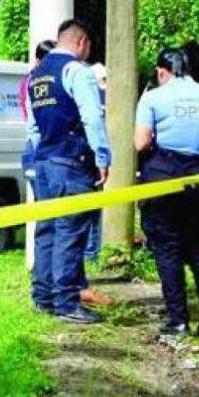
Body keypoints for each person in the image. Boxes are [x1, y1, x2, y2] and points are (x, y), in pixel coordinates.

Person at [134, 46, 199, 338]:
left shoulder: (152, 98)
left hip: (161, 179)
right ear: (188, 69)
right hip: (198, 177)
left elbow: (141, 143)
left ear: (161, 72)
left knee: (168, 250)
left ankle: (178, 321)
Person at [26, 18, 111, 324]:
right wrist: (102, 157)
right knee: (70, 233)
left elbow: (33, 127)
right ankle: (66, 303)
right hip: (72, 163)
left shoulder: (36, 76)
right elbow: (92, 117)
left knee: (46, 230)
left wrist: (41, 157)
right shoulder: (76, 71)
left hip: (45, 163)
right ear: (81, 42)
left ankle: (43, 297)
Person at [20, 39, 56, 190]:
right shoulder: (35, 82)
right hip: (39, 147)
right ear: (38, 60)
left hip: (35, 146)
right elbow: (33, 123)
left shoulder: (29, 80)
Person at [83, 63, 108, 264]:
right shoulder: (96, 98)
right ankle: (91, 255)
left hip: (83, 159)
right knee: (92, 212)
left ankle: (90, 254)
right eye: (104, 81)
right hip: (90, 161)